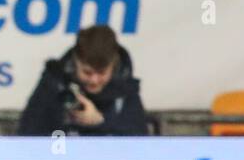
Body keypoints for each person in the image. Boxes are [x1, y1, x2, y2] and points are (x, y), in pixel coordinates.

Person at [17, 24, 149, 137]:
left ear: (113, 66)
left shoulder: (124, 91)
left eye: (102, 73)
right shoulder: (54, 83)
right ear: (75, 63)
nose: (94, 80)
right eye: (87, 72)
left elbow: (138, 143)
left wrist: (100, 123)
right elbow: (28, 134)